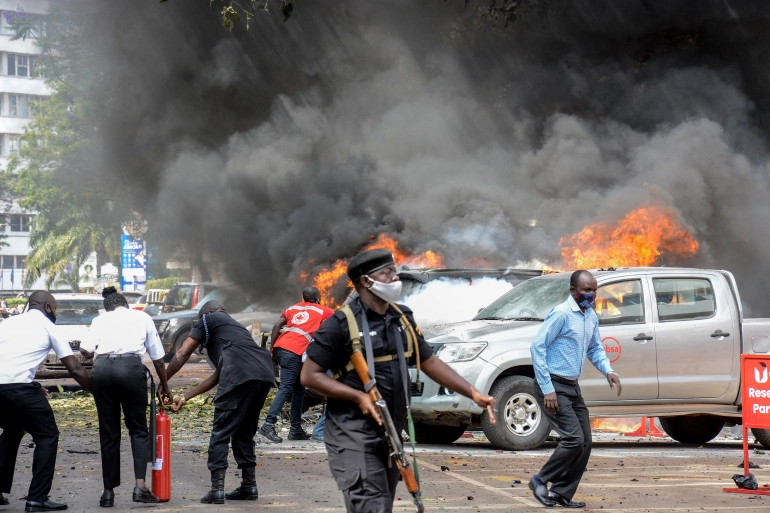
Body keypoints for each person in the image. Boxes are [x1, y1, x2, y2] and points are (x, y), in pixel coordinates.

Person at [301, 248, 497, 513]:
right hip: (352, 432)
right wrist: (358, 396)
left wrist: (473, 392)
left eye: (394, 271)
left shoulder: (402, 318)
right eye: (387, 273)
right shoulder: (340, 323)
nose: (395, 279)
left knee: (379, 503)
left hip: (391, 430)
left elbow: (429, 362)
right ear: (366, 281)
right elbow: (309, 375)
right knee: (373, 504)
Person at [165, 300, 275, 504]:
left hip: (241, 374)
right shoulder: (235, 328)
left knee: (221, 431)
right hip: (263, 374)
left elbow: (182, 353)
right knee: (243, 431)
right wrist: (184, 397)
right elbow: (218, 376)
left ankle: (217, 489)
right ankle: (249, 486)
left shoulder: (208, 319)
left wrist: (163, 382)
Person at [528, 270, 622, 508]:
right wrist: (548, 389)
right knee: (573, 439)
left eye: (594, 290)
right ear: (573, 291)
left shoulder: (590, 316)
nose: (591, 295)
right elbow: (537, 348)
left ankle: (561, 492)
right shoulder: (561, 314)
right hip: (554, 387)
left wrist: (608, 371)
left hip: (572, 387)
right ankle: (540, 480)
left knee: (585, 442)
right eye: (586, 290)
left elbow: (595, 348)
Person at [78, 287, 170, 507]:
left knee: (109, 431)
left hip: (102, 371)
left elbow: (84, 349)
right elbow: (157, 358)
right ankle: (140, 486)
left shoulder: (100, 319)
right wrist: (165, 387)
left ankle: (108, 492)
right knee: (138, 429)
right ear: (125, 304)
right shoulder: (142, 317)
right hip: (130, 369)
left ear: (106, 307)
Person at [0, 291, 92, 512]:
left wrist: (31, 384)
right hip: (20, 390)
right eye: (56, 308)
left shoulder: (7, 323)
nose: (56, 313)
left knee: (12, 432)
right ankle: (36, 499)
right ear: (48, 308)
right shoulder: (49, 327)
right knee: (47, 435)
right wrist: (97, 391)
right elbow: (75, 369)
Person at [259, 287, 333, 443]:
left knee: (299, 390)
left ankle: (295, 430)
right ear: (319, 298)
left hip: (282, 348)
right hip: (294, 352)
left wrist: (272, 351)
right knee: (286, 387)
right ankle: (268, 424)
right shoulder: (324, 311)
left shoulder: (293, 307)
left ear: (303, 297)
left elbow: (276, 326)